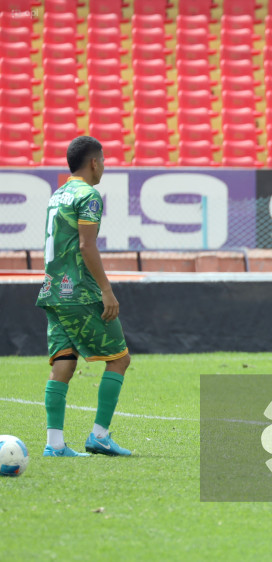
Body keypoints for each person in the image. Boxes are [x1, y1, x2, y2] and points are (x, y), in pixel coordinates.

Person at [36, 135, 132, 457]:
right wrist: (107, 290)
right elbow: (86, 245)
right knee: (119, 359)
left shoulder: (58, 194)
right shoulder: (89, 195)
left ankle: (55, 444)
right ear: (94, 162)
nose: (103, 167)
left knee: (64, 362)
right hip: (78, 292)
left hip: (51, 289)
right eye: (103, 161)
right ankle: (100, 436)